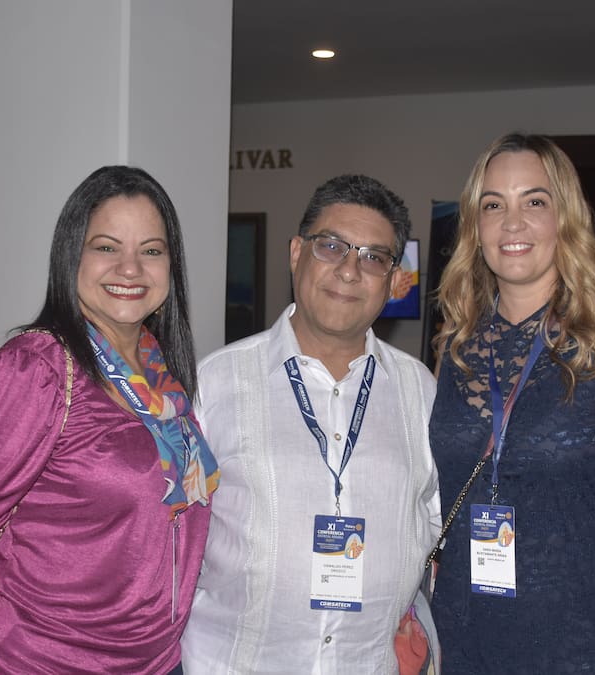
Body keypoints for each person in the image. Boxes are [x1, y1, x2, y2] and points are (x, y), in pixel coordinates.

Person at [0, 166, 219, 674]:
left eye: (151, 250)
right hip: (37, 660)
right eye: (106, 247)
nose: (130, 268)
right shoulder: (35, 372)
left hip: (155, 662)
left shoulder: (161, 374)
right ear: (70, 255)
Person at [429, 133, 595, 673]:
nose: (512, 223)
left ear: (566, 217)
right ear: (475, 226)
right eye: (493, 205)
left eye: (534, 202)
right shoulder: (457, 341)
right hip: (463, 622)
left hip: (577, 627)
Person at [181, 175, 441, 673]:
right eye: (332, 246)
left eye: (373, 257)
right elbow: (176, 535)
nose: (349, 271)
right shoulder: (215, 382)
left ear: (392, 280)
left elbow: (430, 522)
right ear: (297, 252)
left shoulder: (421, 392)